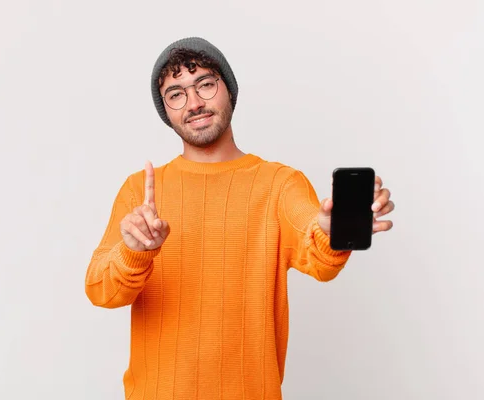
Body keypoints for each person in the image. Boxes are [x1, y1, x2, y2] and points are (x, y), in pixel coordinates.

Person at [84, 37, 394, 400]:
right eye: (176, 93)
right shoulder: (140, 191)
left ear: (228, 90)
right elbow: (100, 291)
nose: (195, 103)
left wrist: (330, 229)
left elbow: (317, 252)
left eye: (205, 84)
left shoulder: (279, 183)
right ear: (165, 109)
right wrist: (135, 252)